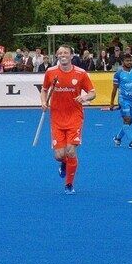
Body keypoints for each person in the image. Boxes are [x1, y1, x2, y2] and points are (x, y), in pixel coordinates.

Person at [40, 45, 96, 194]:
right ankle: (64, 164)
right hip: (57, 118)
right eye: (60, 53)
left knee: (70, 151)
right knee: (59, 156)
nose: (62, 55)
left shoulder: (81, 73)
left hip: (74, 117)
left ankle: (69, 185)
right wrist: (43, 102)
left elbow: (92, 93)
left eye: (66, 53)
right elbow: (44, 90)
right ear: (57, 56)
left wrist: (84, 97)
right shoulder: (51, 72)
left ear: (71, 56)